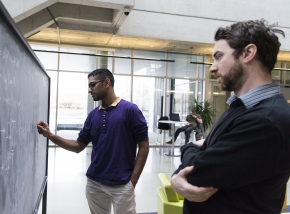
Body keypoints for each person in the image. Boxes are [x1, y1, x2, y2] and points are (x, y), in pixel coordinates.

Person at [170, 19, 290, 214]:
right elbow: (202, 159)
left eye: (219, 57)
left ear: (248, 53)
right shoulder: (240, 106)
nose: (212, 67)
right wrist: (190, 163)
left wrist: (189, 147)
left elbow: (196, 172)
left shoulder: (266, 120)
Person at [37, 68, 149, 214]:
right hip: (94, 182)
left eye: (92, 85)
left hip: (122, 183)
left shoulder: (130, 110)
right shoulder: (92, 115)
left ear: (106, 82)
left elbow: (144, 146)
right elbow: (78, 146)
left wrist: (132, 182)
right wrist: (50, 135)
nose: (89, 90)